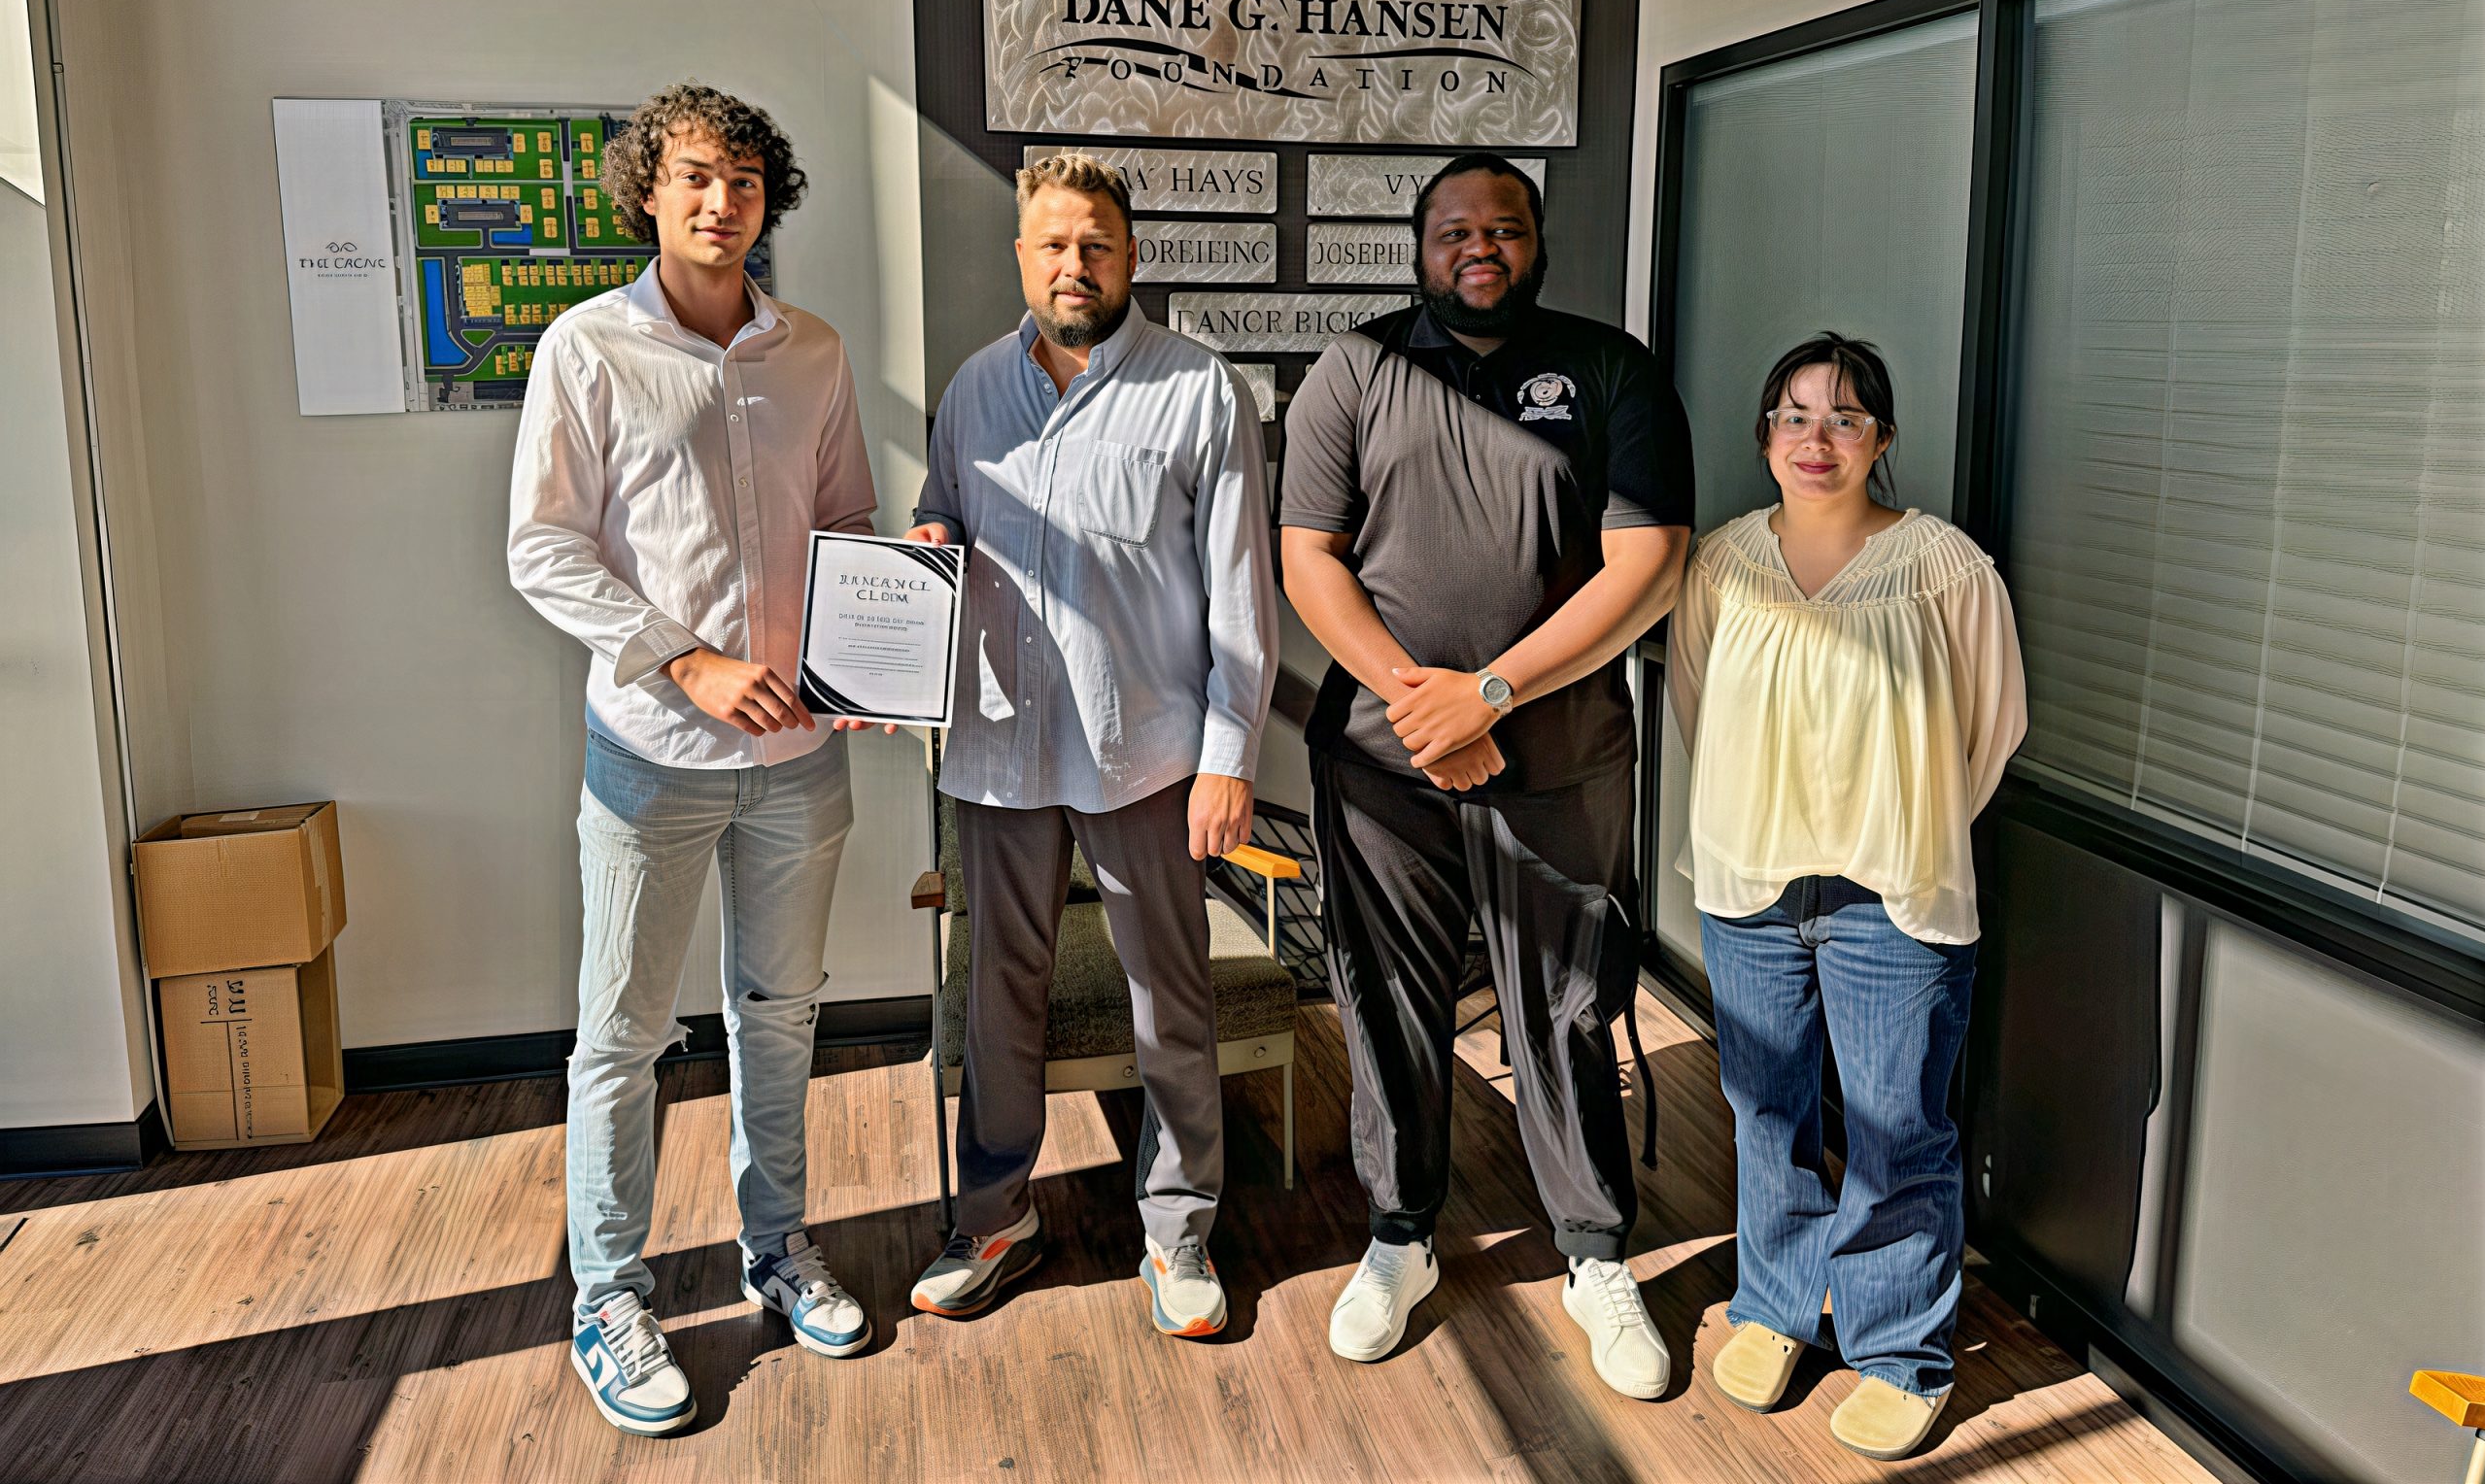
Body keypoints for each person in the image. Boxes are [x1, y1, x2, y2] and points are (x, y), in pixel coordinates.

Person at [1279, 153, 1694, 1400]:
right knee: (1386, 996)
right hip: (1383, 763)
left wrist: (1491, 694)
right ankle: (1400, 1236)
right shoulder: (1354, 368)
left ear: (1536, 243)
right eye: (1454, 229)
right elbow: (1307, 556)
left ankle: (1593, 1252)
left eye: (1503, 228)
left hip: (1558, 760)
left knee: (1568, 1003)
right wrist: (1426, 708)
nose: (1479, 247)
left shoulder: (1612, 368)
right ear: (1418, 248)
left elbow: (1650, 561)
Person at [509, 83, 875, 1436]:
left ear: (769, 198)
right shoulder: (588, 347)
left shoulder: (813, 350)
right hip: (652, 754)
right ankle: (608, 1296)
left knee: (780, 1015)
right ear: (649, 194)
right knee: (622, 1036)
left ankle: (775, 1250)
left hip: (799, 758)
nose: (722, 201)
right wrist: (684, 657)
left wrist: (881, 637)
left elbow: (845, 519)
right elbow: (543, 548)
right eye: (696, 177)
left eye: (745, 180)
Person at [895, 152, 1277, 1338]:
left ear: (1131, 256)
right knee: (996, 994)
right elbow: (943, 512)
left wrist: (1230, 757)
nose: (1076, 264)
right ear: (1023, 255)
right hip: (998, 746)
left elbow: (1241, 596)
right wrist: (928, 535)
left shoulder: (1200, 390)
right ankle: (994, 1217)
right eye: (1055, 244)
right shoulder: (972, 388)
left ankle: (1178, 1230)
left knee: (1169, 996)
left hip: (1146, 753)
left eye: (1097, 244)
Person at [1666, 332, 2025, 1463]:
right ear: (1764, 434)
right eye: (1793, 415)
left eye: (1842, 417)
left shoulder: (1941, 567)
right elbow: (1696, 704)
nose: (1814, 439)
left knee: (1896, 1127)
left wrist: (1898, 827)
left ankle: (1898, 1351)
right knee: (1767, 1111)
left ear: (1881, 439)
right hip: (1750, 882)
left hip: (1893, 894)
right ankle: (1776, 1305)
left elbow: (1991, 726)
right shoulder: (1721, 564)